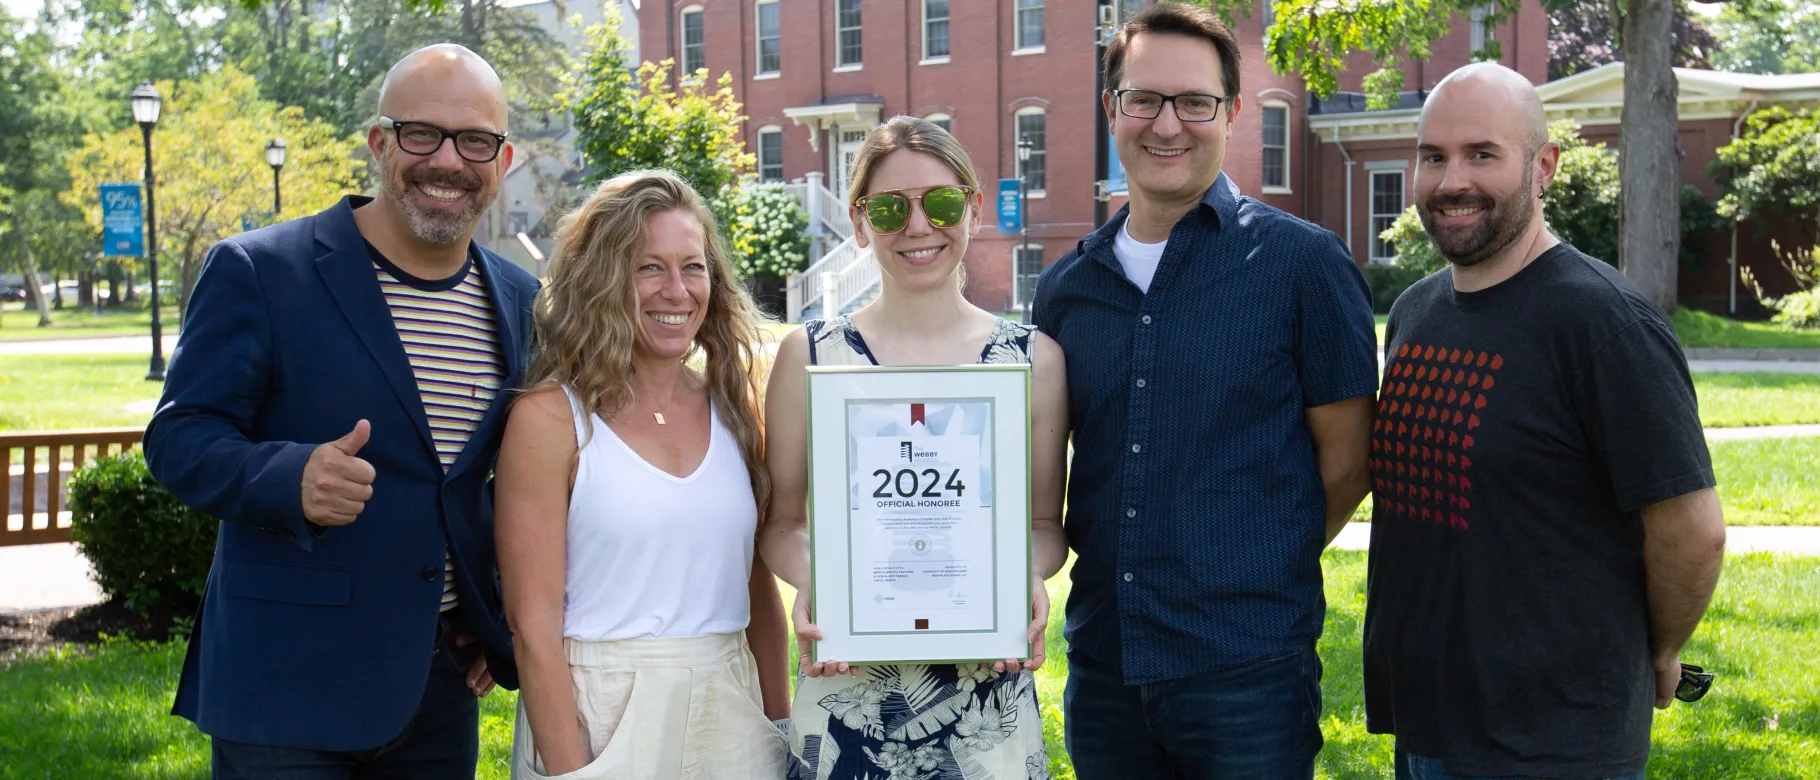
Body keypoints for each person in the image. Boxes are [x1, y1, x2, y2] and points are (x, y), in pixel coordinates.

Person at [143, 45, 538, 777]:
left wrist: (496, 613)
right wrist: (288, 478)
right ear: (379, 142)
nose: (448, 160)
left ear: (503, 157)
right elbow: (178, 438)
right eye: (422, 133)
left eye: (475, 140)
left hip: (438, 686)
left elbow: (501, 485)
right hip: (284, 685)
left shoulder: (521, 301)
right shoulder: (261, 270)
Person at [1030, 4, 1378, 776]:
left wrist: (1243, 564)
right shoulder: (1065, 291)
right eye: (1144, 99)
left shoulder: (1304, 267)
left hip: (1247, 669)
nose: (1168, 124)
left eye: (1195, 102)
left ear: (1232, 114)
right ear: (1112, 109)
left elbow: (1348, 465)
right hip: (1105, 664)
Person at [1363, 62, 1728, 780]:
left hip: (1555, 742)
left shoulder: (1604, 324)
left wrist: (1658, 652)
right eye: (1433, 156)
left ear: (1543, 167)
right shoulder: (1415, 311)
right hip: (1429, 726)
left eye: (1482, 154)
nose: (1451, 180)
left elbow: (1692, 529)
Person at [763, 116, 1070, 778]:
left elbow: (1045, 528)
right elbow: (783, 522)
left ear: (973, 208)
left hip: (985, 702)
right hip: (849, 698)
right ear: (859, 219)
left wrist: (1025, 577)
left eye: (940, 202)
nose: (918, 226)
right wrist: (821, 584)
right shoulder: (810, 358)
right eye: (890, 208)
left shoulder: (1032, 361)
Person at [494, 169, 791, 779]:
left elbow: (759, 595)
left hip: (730, 710)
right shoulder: (550, 419)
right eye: (648, 268)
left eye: (693, 266)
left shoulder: (734, 406)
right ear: (603, 279)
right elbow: (533, 628)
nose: (676, 291)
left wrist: (781, 733)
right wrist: (572, 772)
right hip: (598, 716)